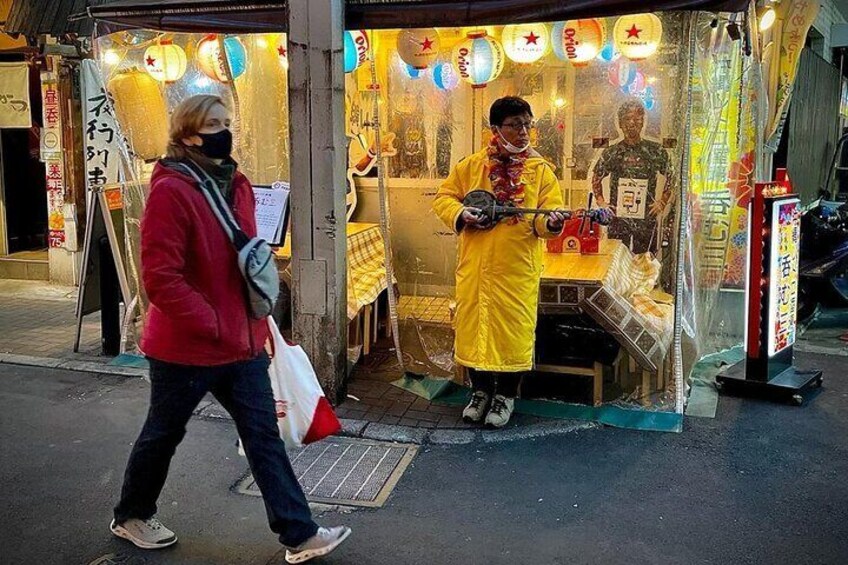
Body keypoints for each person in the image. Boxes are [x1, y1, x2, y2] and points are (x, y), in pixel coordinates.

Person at [110, 95, 350, 564]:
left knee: (263, 436)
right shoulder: (171, 190)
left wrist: (256, 321)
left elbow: (240, 259)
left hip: (240, 344)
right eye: (211, 125)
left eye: (226, 122)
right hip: (184, 349)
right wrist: (215, 323)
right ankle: (131, 514)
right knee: (163, 433)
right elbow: (160, 278)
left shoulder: (236, 183)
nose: (223, 131)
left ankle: (299, 534)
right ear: (186, 136)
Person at [433, 96, 569, 428]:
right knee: (475, 328)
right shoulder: (471, 166)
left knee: (514, 331)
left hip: (516, 269)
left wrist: (551, 223)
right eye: (515, 124)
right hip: (476, 267)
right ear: (496, 129)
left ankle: (506, 395)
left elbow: (544, 217)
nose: (523, 132)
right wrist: (461, 213)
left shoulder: (540, 172)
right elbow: (444, 197)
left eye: (527, 124)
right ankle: (479, 392)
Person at [591, 98, 674, 255]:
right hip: (618, 219)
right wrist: (602, 203)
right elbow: (596, 177)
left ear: (643, 122)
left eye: (637, 119)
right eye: (627, 119)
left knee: (645, 263)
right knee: (616, 258)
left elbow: (672, 176)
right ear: (620, 123)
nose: (632, 123)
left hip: (646, 219)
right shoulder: (613, 152)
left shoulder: (655, 151)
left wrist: (662, 202)